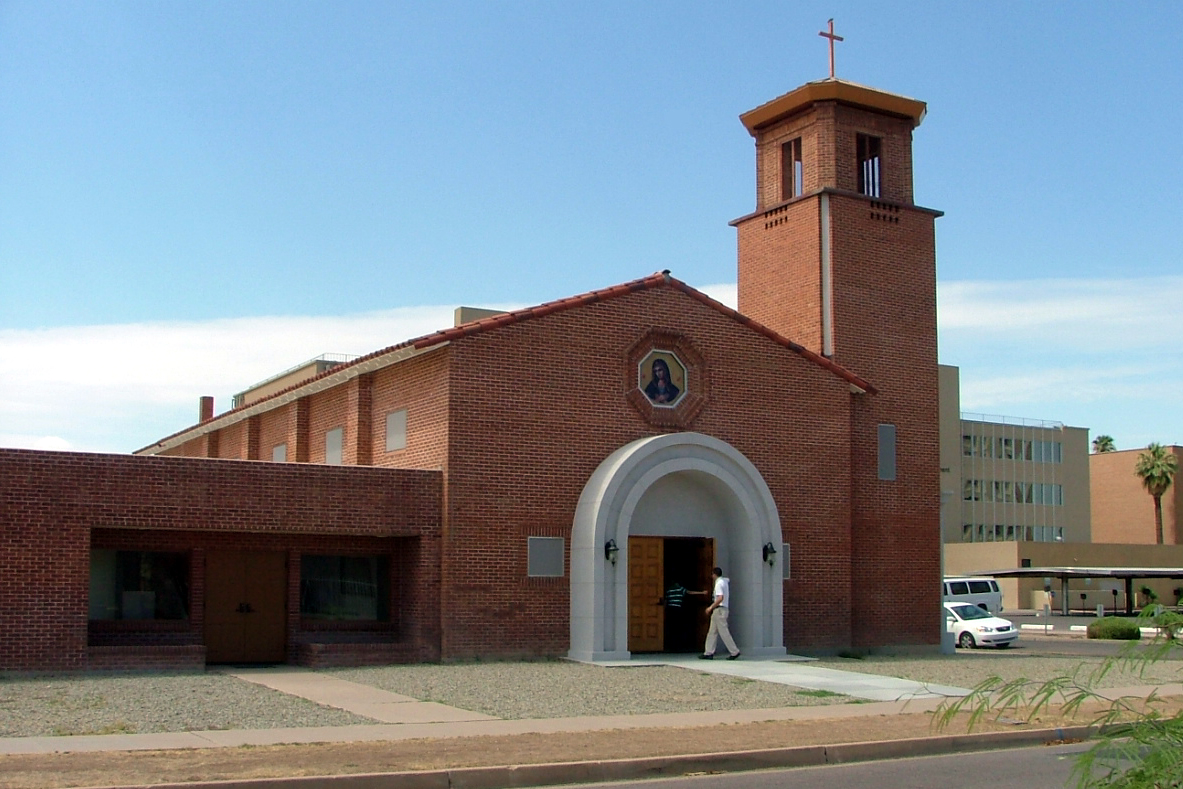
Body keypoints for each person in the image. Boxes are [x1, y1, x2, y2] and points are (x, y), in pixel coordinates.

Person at [699, 566, 740, 660]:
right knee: (712, 632)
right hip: (721, 610)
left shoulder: (719, 584)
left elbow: (720, 598)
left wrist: (710, 608)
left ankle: (734, 651)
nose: (712, 576)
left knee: (723, 632)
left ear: (714, 574)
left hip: (719, 610)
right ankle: (708, 652)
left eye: (712, 574)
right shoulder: (724, 582)